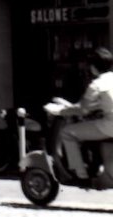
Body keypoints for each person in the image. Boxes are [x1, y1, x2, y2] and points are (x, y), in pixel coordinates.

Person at [48, 46, 113, 184]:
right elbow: (99, 105)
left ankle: (80, 175)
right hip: (107, 121)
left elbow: (83, 110)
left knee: (67, 133)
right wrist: (68, 105)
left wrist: (58, 110)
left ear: (93, 67)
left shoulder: (96, 85)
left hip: (109, 125)